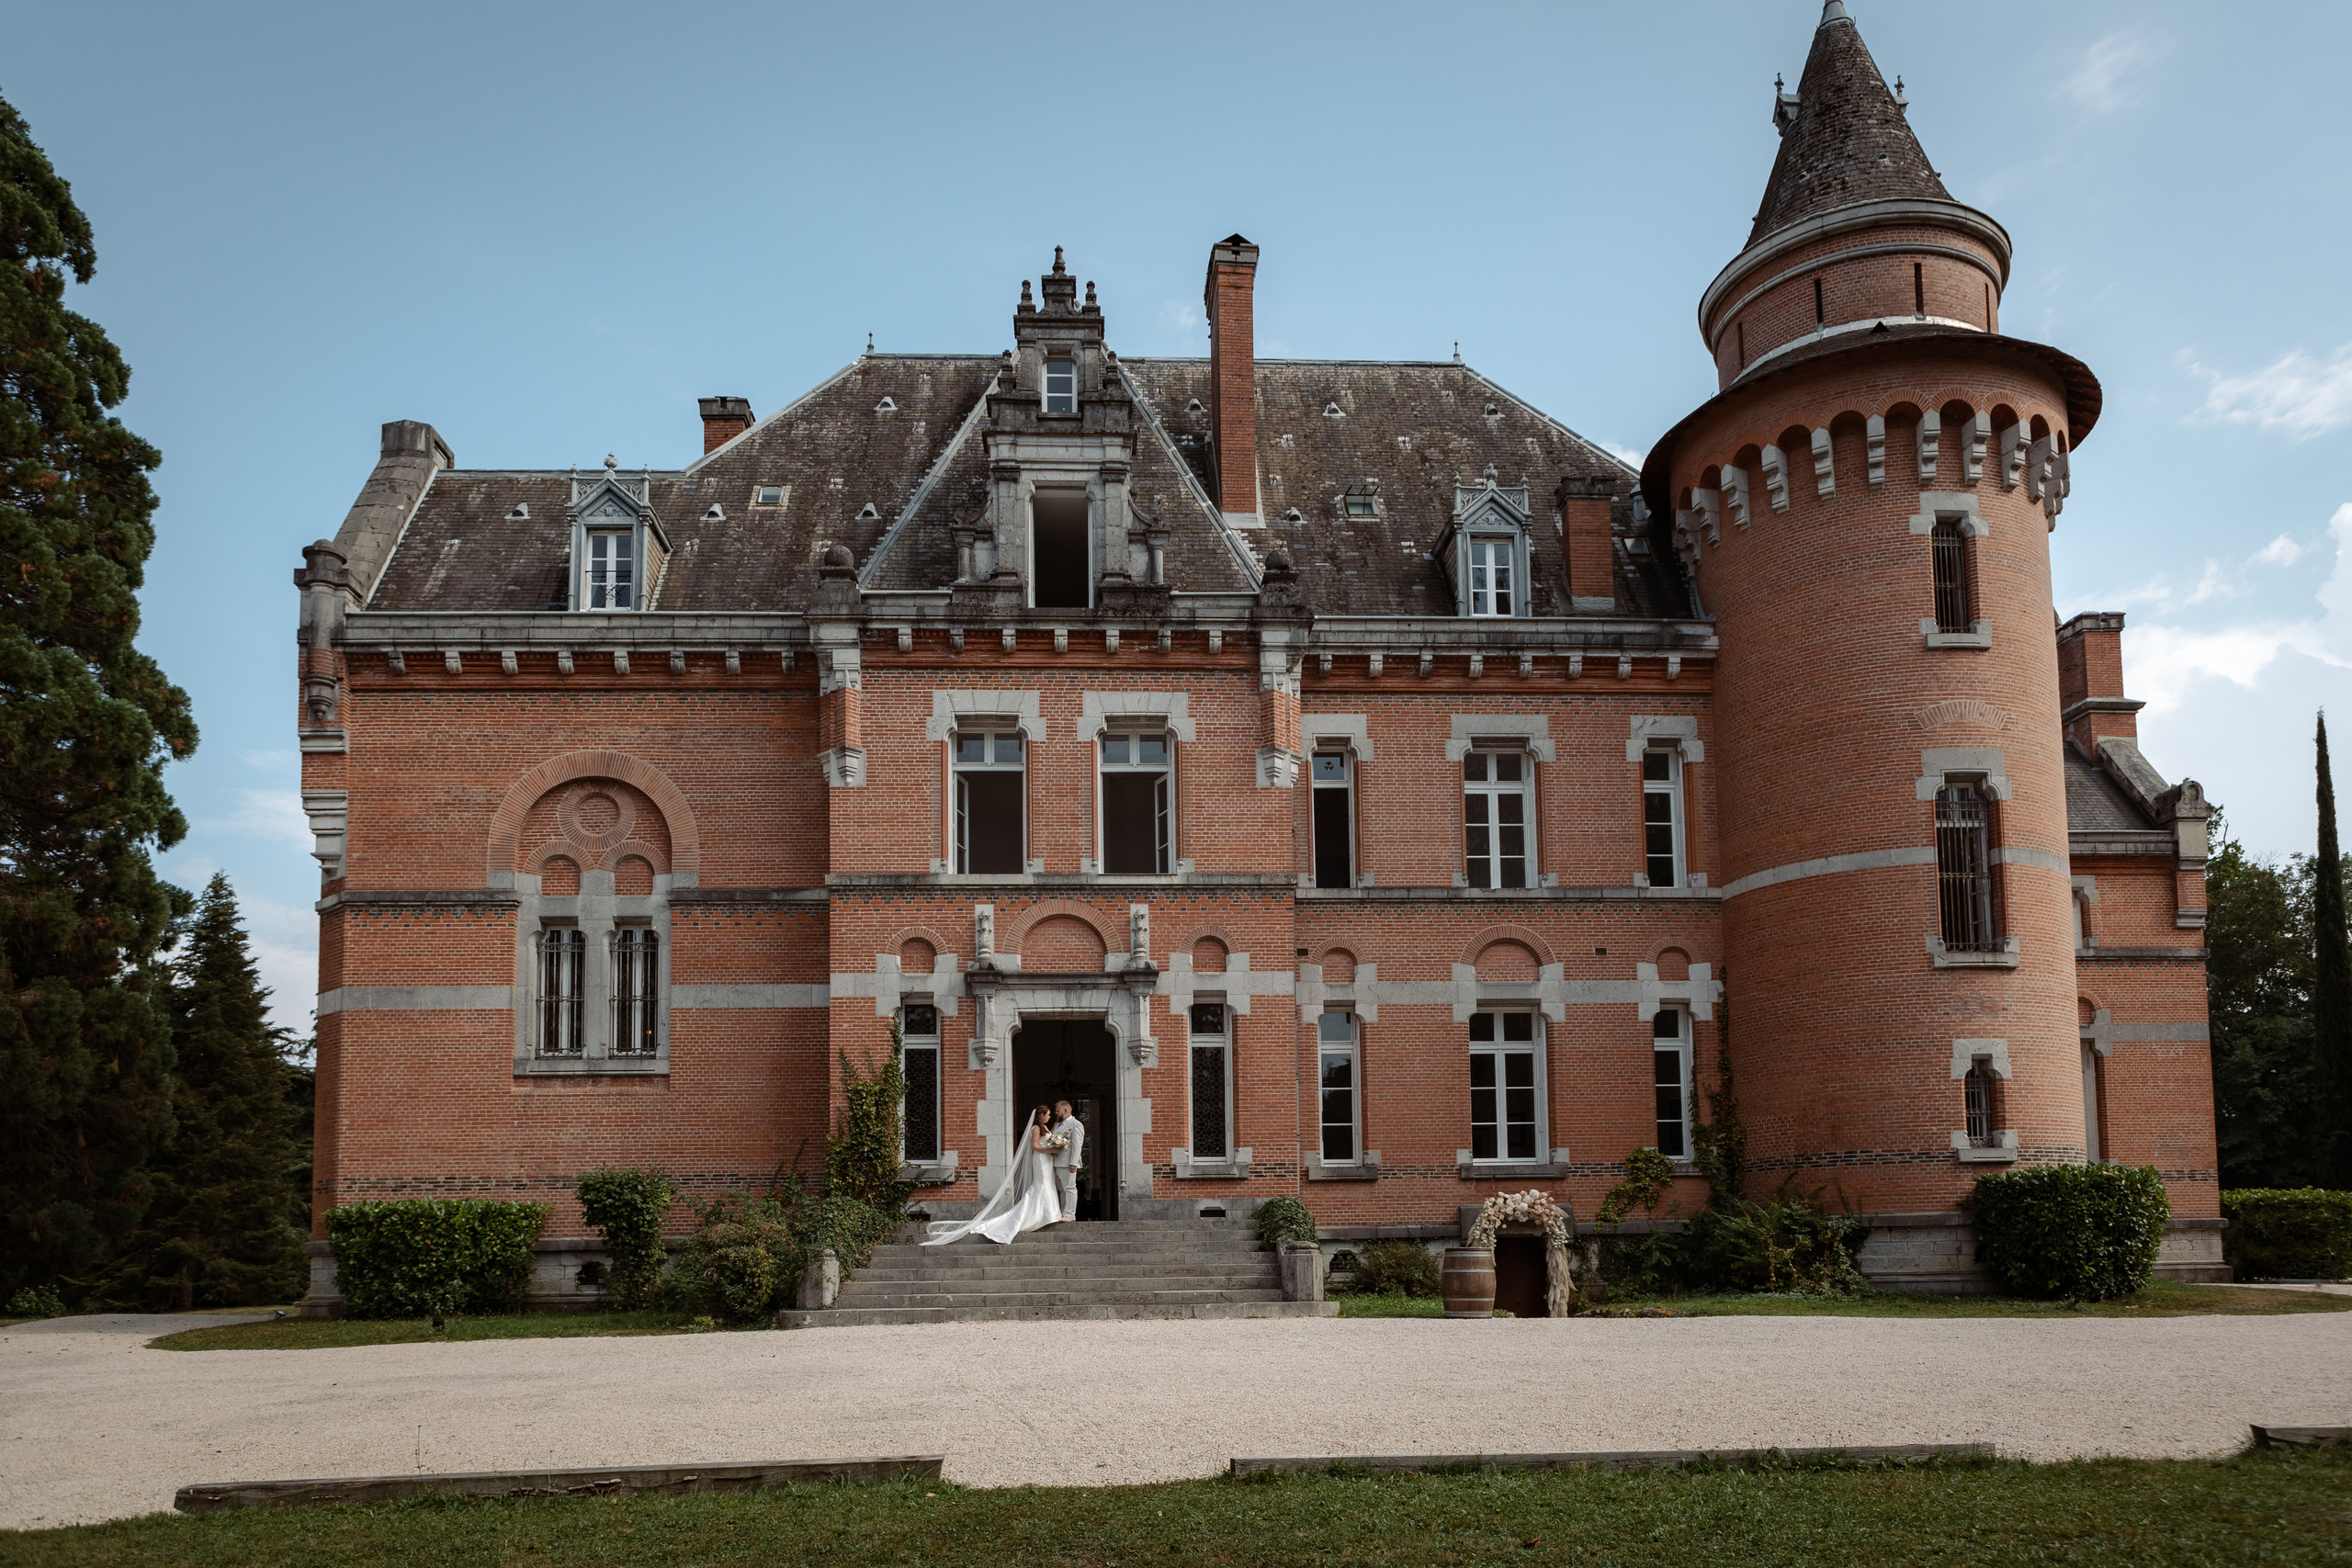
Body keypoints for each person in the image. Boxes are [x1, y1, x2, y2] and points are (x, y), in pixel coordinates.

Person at [921, 1105, 1064, 1247]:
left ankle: (1048, 1213)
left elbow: (1048, 1138)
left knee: (1048, 1184)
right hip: (1040, 1159)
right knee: (1041, 1185)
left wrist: (1057, 1139)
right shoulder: (1036, 1128)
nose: (1050, 1116)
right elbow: (1035, 1147)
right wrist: (1051, 1150)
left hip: (1047, 1161)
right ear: (1041, 1115)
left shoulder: (1045, 1128)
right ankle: (1038, 1215)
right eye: (1048, 1114)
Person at [1049, 1099, 1086, 1223]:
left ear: (1065, 1110)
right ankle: (1063, 1212)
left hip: (1067, 1163)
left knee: (1070, 1187)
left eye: (1057, 1110)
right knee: (1061, 1188)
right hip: (1056, 1162)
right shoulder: (1058, 1125)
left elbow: (1077, 1145)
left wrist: (1073, 1163)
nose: (1055, 1113)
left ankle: (1070, 1214)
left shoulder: (1076, 1124)